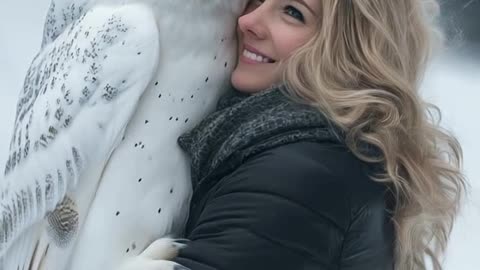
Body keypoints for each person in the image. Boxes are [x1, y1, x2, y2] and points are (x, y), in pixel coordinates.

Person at [171, 0, 467, 269]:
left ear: (349, 50)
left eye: (292, 12)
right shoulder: (333, 150)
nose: (248, 21)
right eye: (258, 0)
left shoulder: (295, 177)